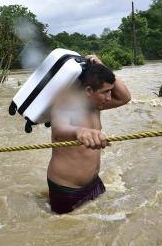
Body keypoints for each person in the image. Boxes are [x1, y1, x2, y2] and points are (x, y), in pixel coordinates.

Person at [46, 55, 131, 214]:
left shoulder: (97, 103)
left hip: (93, 183)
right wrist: (79, 131)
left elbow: (125, 97)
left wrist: (101, 66)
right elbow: (58, 130)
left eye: (111, 91)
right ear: (88, 90)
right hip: (67, 189)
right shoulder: (66, 103)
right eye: (105, 92)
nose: (109, 97)